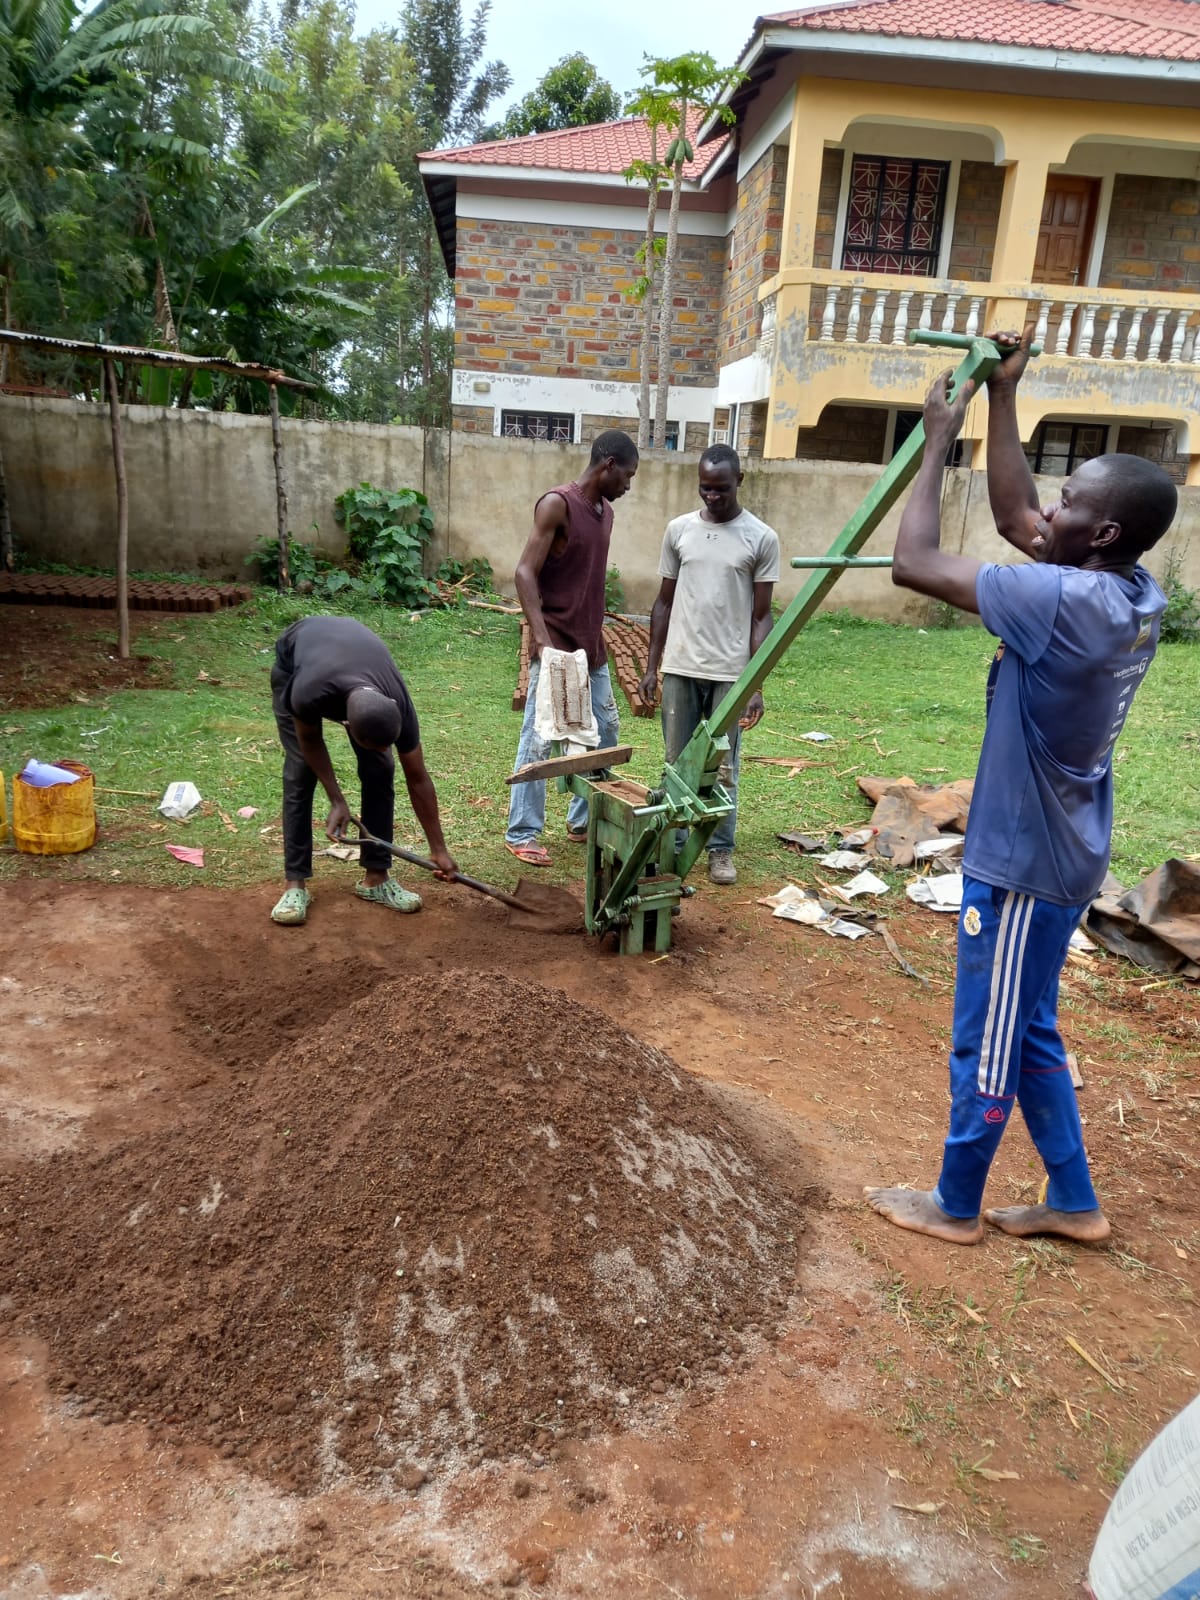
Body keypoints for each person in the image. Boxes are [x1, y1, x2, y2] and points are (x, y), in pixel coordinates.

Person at [865, 329, 1178, 1246]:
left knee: (989, 1036)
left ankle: (954, 1205)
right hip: (1067, 851)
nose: (1052, 509)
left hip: (1023, 867)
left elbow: (914, 565)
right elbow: (1019, 520)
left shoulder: (1066, 603)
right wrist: (1006, 395)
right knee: (1031, 1025)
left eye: (1071, 501)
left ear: (1104, 533)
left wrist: (935, 444)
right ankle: (1074, 1202)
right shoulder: (1128, 592)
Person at [636, 443, 779, 885]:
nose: (711, 496)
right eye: (704, 488)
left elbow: (761, 616)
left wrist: (754, 684)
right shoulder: (679, 531)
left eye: (720, 488)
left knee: (723, 766)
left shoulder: (761, 537)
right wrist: (651, 664)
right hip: (681, 665)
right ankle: (675, 842)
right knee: (677, 762)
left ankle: (720, 849)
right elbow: (662, 602)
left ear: (740, 481)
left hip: (729, 675)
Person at [504, 429, 639, 866]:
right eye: (628, 476)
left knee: (606, 732)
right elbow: (525, 572)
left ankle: (583, 820)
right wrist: (541, 640)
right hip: (557, 645)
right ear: (609, 466)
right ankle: (523, 831)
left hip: (590, 647)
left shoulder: (606, 513)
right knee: (540, 738)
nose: (628, 486)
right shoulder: (557, 504)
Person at [269, 614, 457, 926]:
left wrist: (439, 849)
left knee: (380, 767)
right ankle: (295, 885)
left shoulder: (399, 704)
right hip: (297, 662)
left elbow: (419, 778)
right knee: (301, 770)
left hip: (353, 658)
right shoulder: (307, 692)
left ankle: (376, 878)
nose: (386, 749)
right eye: (374, 743)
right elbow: (311, 742)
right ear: (347, 726)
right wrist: (337, 800)